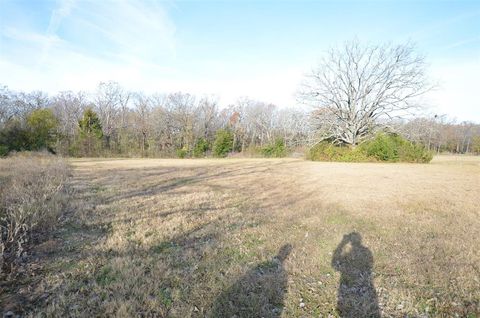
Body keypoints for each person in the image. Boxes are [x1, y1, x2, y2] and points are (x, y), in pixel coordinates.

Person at [332, 232, 380, 317]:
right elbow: (370, 264)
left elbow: (335, 264)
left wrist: (342, 243)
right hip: (362, 288)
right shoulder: (366, 251)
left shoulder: (364, 252)